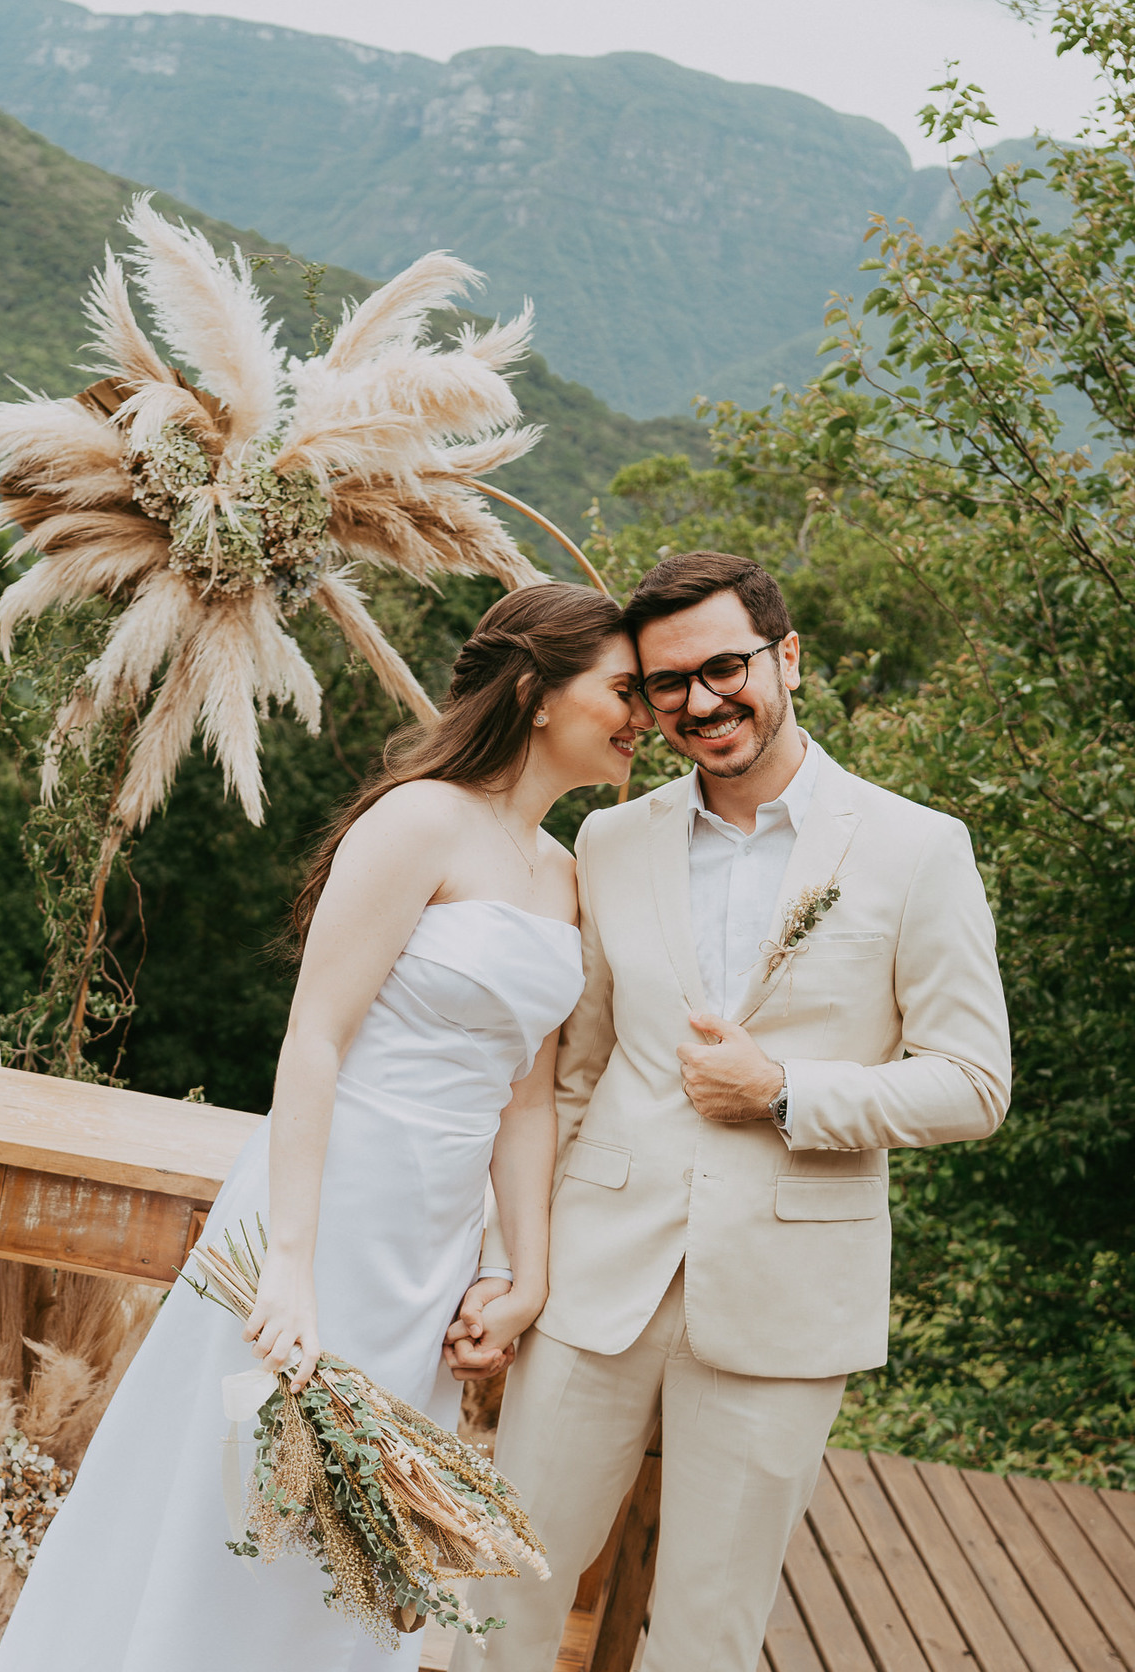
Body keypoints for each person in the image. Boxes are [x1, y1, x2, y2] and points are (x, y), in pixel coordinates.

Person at [0, 582, 652, 1672]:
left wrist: (523, 1274)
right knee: (237, 1497)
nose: (644, 718)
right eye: (623, 690)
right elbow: (314, 1041)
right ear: (537, 692)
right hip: (326, 1208)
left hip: (432, 1245)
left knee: (348, 1531)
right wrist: (289, 1265)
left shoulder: (561, 873)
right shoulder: (420, 820)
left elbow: (525, 1099)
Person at [445, 551, 1012, 1672]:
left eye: (726, 668)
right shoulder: (609, 841)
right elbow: (568, 1078)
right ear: (647, 700)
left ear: (787, 657)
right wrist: (515, 1267)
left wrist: (789, 1092)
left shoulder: (916, 848)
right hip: (593, 1282)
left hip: (787, 1302)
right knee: (497, 1592)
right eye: (669, 684)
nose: (703, 702)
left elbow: (975, 1083)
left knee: (708, 1630)